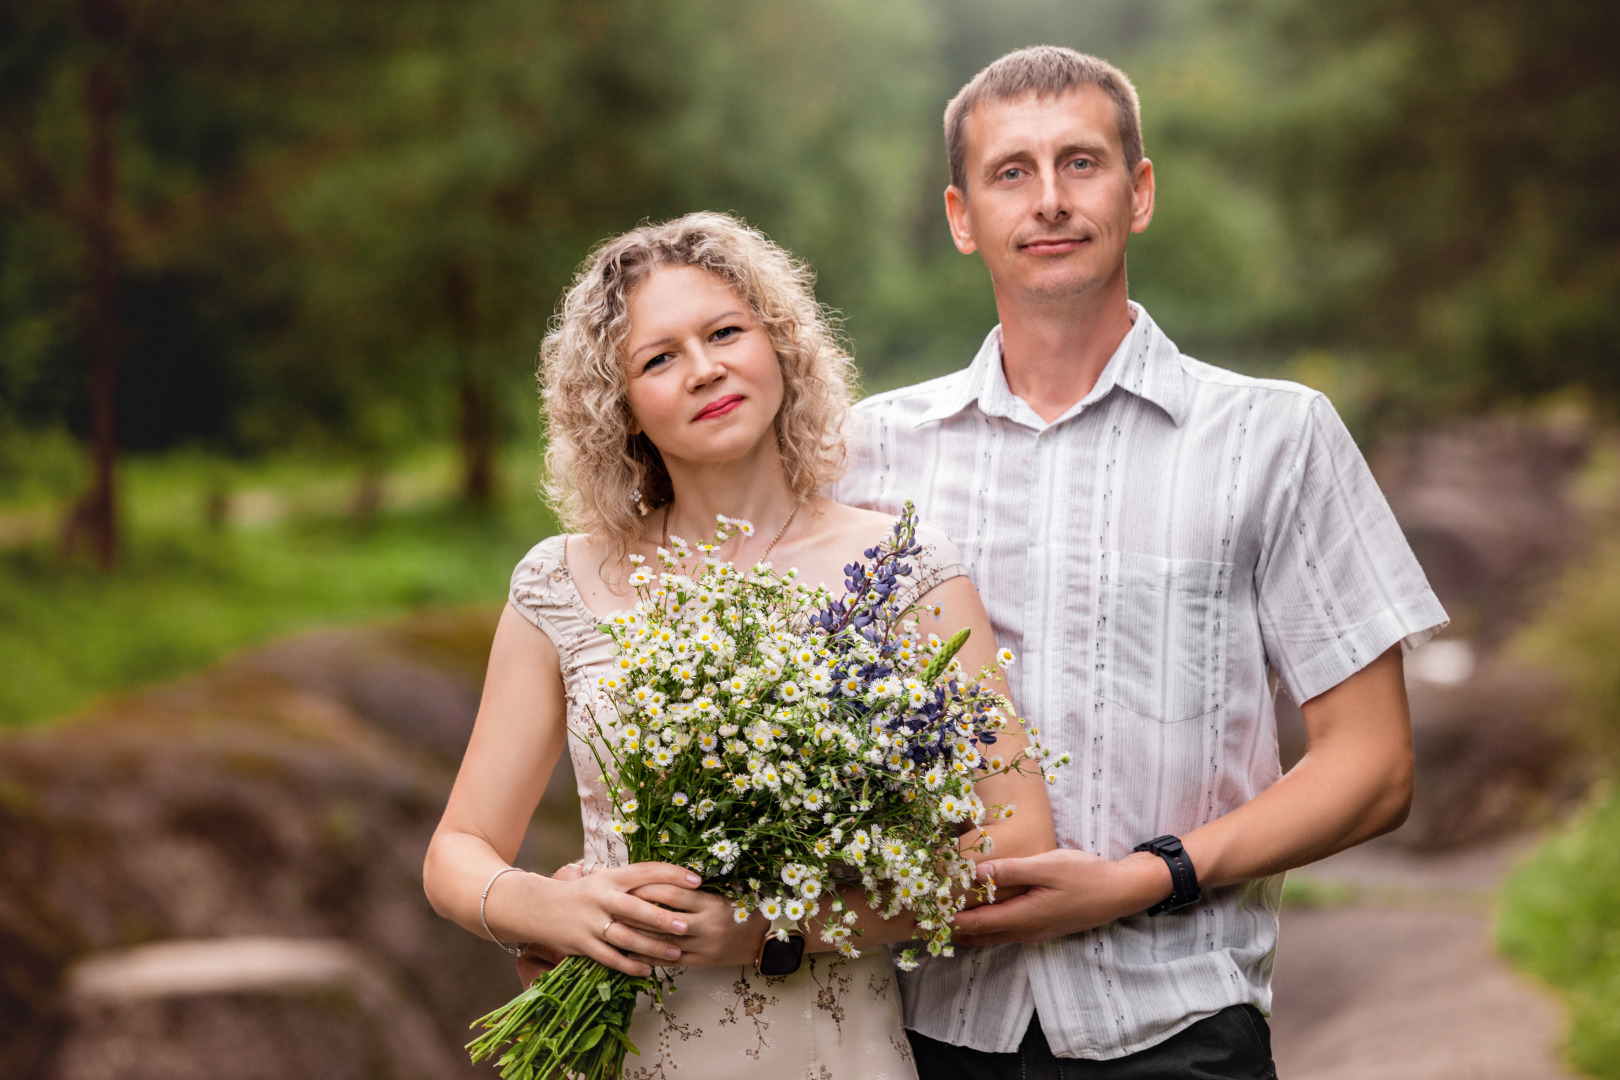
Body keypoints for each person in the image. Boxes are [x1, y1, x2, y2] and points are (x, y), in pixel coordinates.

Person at [831, 46, 1448, 1078]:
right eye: (1011, 172)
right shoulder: (865, 452)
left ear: (1140, 190)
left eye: (1082, 162)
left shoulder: (1275, 437)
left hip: (1178, 1029)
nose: (1051, 201)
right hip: (921, 1030)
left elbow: (1373, 766)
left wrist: (1144, 879)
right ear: (960, 216)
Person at [422, 211, 1057, 1077]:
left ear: (781, 346)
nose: (704, 369)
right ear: (622, 409)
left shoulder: (902, 565)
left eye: (725, 332)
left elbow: (1012, 845)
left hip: (836, 1047)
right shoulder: (560, 582)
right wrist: (548, 911)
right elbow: (457, 852)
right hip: (628, 1044)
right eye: (658, 358)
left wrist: (767, 930)